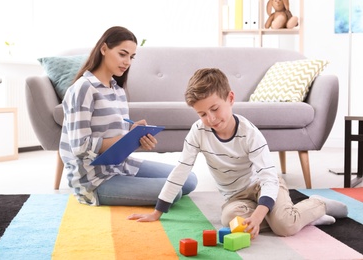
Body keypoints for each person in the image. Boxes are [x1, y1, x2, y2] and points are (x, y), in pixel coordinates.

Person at [128, 68, 348, 239]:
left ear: (230, 99)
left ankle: (317, 205)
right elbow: (181, 170)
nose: (211, 119)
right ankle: (292, 216)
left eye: (215, 109)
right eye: (202, 113)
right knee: (230, 220)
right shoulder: (198, 132)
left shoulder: (249, 133)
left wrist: (260, 213)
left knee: (285, 228)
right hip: (236, 197)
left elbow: (268, 177)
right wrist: (157, 211)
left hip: (264, 185)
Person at [59, 26, 197, 206]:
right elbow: (80, 146)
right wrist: (125, 137)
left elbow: (114, 137)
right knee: (173, 191)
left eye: (131, 57)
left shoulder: (117, 90)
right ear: (103, 49)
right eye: (122, 54)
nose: (127, 62)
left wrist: (133, 135)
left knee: (189, 179)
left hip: (120, 167)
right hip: (94, 180)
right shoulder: (84, 88)